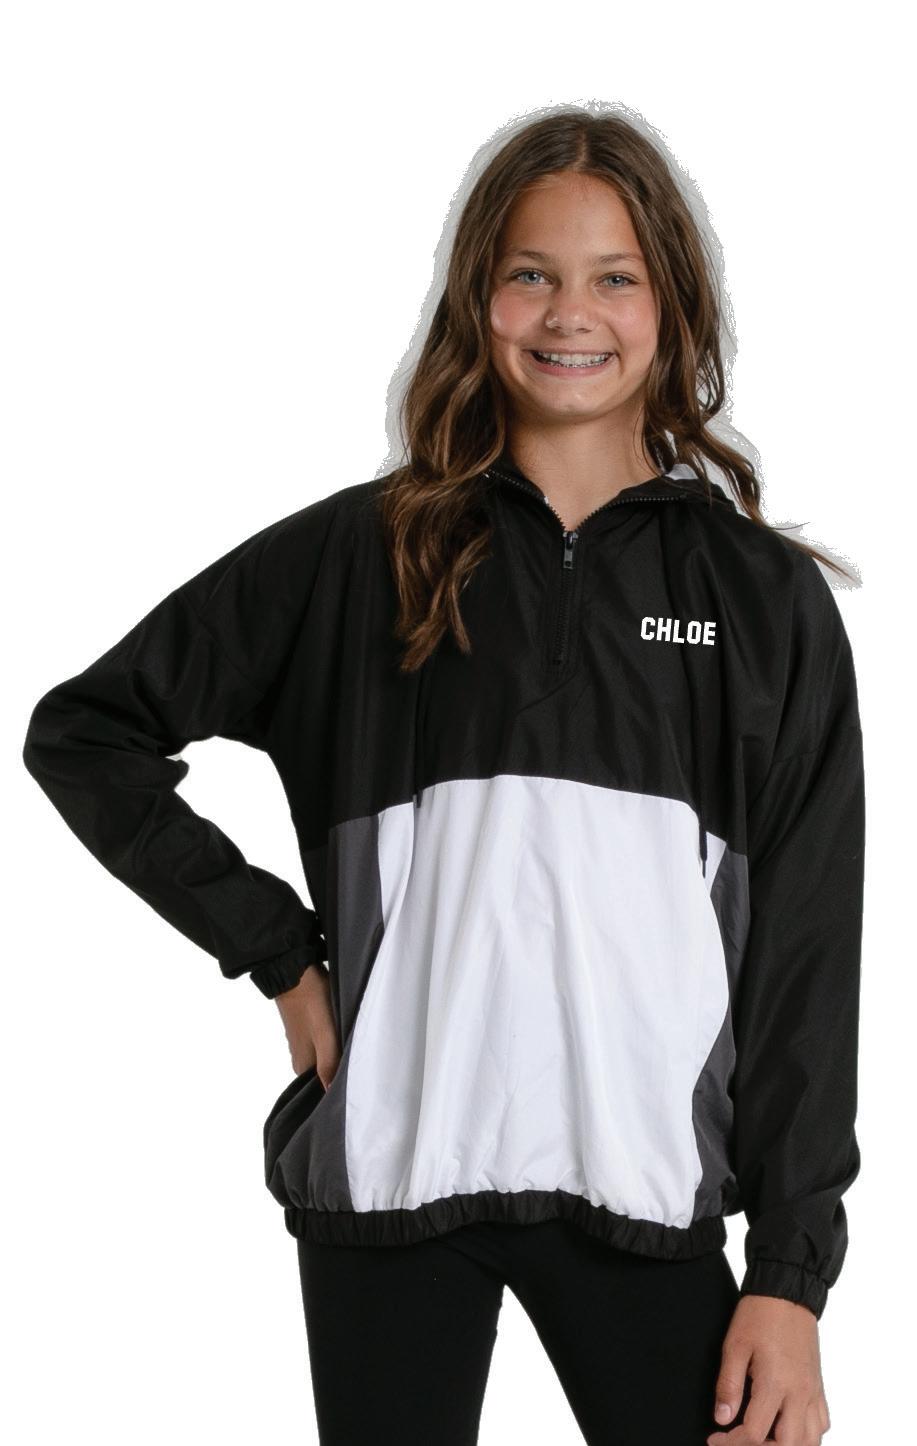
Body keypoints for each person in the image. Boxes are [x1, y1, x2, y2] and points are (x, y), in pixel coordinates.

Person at [22, 107, 864, 1446]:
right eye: (531, 273)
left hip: (643, 1187)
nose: (570, 313)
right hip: (391, 1174)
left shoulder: (760, 602)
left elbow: (808, 954)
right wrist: (277, 951)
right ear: (477, 299)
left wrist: (789, 1273)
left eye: (614, 276)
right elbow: (87, 733)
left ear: (672, 305)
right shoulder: (361, 558)